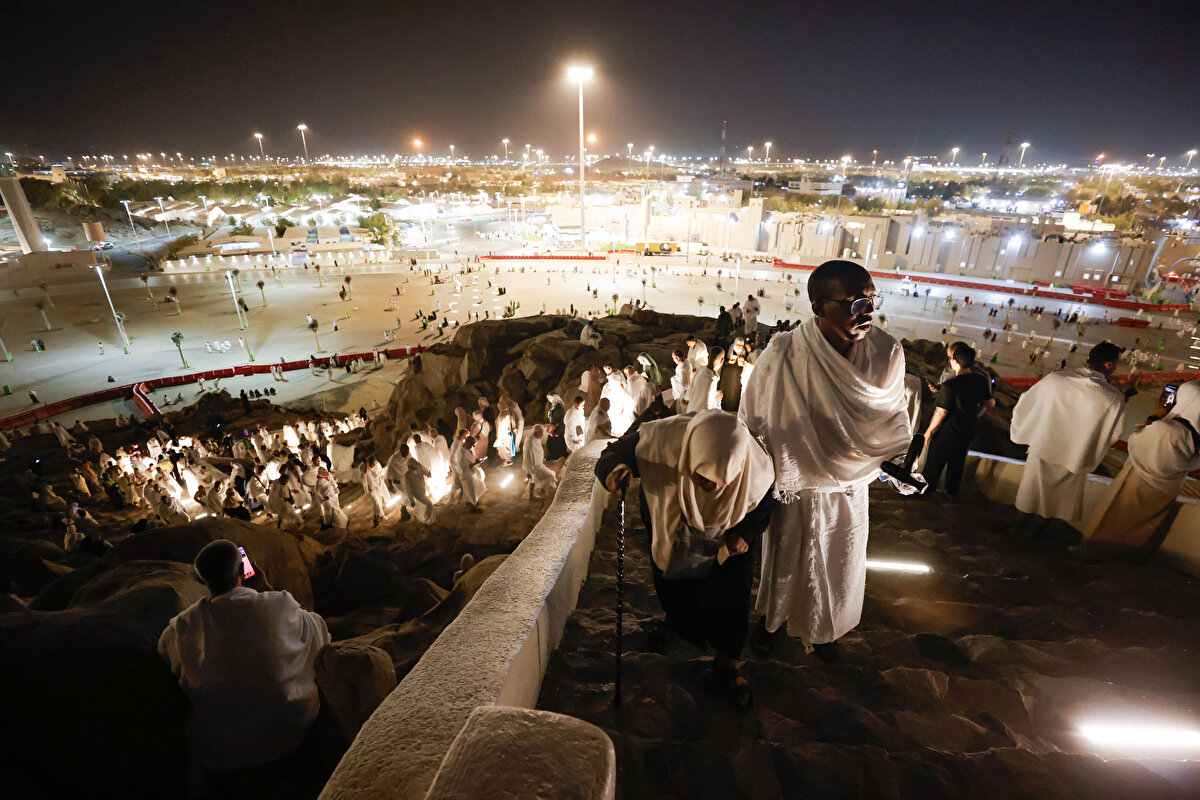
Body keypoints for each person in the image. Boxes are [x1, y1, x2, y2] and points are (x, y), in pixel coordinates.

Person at [739, 260, 911, 660]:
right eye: (854, 303)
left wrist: (900, 465)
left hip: (849, 491)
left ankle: (827, 631)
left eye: (871, 300)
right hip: (793, 490)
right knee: (784, 561)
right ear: (818, 307)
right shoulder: (784, 352)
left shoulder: (887, 353)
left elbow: (892, 419)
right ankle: (774, 623)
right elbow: (753, 419)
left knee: (841, 561)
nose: (868, 311)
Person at [596, 410, 776, 709]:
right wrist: (614, 470)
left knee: (732, 592)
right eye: (703, 478)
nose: (712, 489)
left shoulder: (757, 464)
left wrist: (746, 532)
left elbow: (765, 500)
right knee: (673, 578)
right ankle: (678, 623)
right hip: (672, 515)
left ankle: (728, 659)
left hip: (729, 530)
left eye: (721, 482)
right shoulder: (661, 439)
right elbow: (612, 454)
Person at [157, 540, 331, 778]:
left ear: (200, 580)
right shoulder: (278, 603)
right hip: (292, 723)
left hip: (226, 746)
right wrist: (266, 587)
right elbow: (318, 628)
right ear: (243, 571)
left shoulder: (184, 624)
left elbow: (169, 654)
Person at [1009, 341, 1127, 531]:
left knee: (1030, 492)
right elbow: (1113, 432)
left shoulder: (1055, 379)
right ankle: (1035, 533)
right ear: (1109, 365)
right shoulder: (1112, 398)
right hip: (1074, 457)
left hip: (1043, 448)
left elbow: (1026, 403)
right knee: (1057, 500)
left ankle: (1016, 528)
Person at [1076, 381, 1200, 560]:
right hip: (1168, 488)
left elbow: (1137, 440)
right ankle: (1127, 558)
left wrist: (1155, 417)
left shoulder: (1166, 427)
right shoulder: (1195, 434)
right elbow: (1192, 464)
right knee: (1140, 526)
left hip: (1139, 482)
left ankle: (1092, 552)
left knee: (1113, 518)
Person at [920, 342, 993, 498]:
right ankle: (950, 492)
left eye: (951, 358)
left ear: (956, 362)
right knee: (957, 461)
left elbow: (942, 412)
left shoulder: (951, 384)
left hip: (950, 428)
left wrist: (928, 431)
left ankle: (927, 490)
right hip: (969, 428)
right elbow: (990, 403)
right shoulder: (980, 380)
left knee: (935, 459)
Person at [522, 425, 557, 499]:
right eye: (541, 433)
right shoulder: (530, 442)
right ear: (536, 432)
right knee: (550, 475)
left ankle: (540, 491)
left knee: (534, 479)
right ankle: (539, 493)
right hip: (534, 466)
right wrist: (529, 470)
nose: (542, 435)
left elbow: (538, 450)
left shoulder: (536, 437)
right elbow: (528, 456)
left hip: (538, 465)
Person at [669, 349, 693, 414]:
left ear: (678, 358)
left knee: (682, 407)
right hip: (689, 386)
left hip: (684, 391)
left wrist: (673, 379)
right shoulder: (687, 362)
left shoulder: (682, 368)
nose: (673, 360)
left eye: (674, 358)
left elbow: (682, 382)